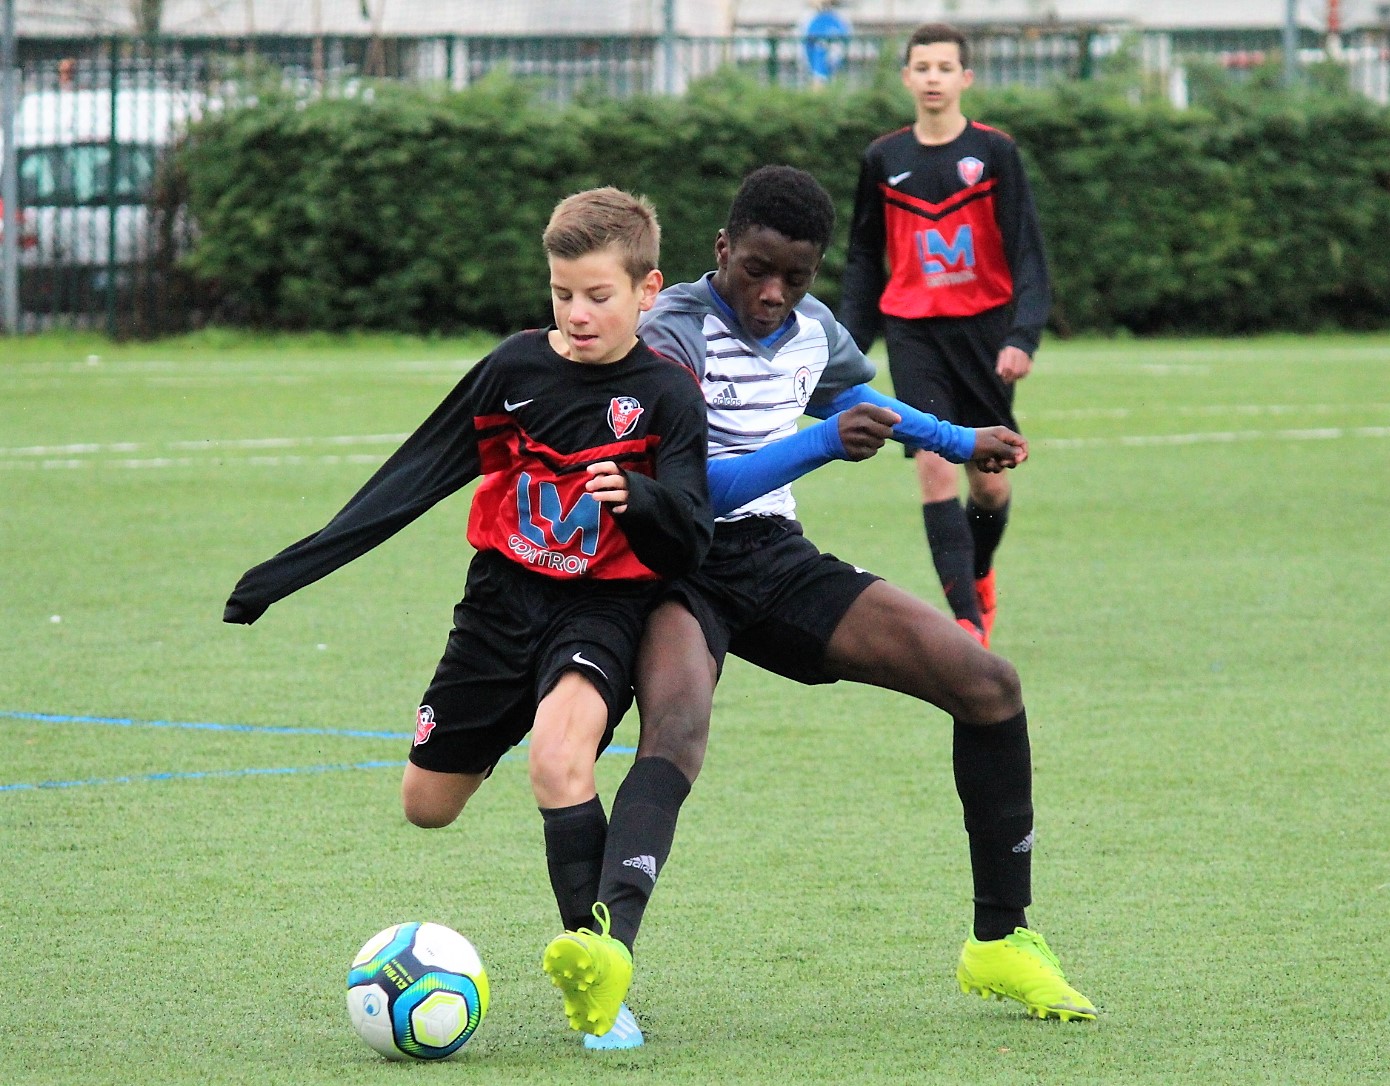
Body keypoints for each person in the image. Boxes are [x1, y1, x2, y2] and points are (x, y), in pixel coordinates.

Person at [542, 165, 1094, 1047]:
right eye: (756, 269)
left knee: (988, 684)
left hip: (776, 559)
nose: (772, 294)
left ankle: (1002, 939)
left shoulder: (812, 328)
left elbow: (858, 396)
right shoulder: (672, 331)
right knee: (676, 729)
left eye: (794, 278)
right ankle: (610, 958)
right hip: (679, 561)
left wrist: (960, 439)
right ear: (722, 250)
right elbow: (693, 491)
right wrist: (821, 447)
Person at [220, 188, 713, 1046]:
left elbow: (691, 538)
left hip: (602, 607)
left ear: (648, 290)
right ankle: (505, 722)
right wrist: (289, 571)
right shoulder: (515, 371)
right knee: (426, 805)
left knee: (560, 763)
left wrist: (639, 499)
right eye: (563, 293)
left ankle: (601, 984)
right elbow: (416, 474)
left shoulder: (667, 397)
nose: (578, 312)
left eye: (599, 294)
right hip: (499, 605)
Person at [840, 22, 1052, 648]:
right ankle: (968, 623)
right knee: (934, 463)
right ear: (907, 77)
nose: (932, 77)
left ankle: (979, 572)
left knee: (989, 478)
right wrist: (848, 344)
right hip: (913, 329)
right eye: (922, 66)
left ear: (965, 78)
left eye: (944, 67)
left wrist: (1023, 336)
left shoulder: (994, 153)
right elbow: (862, 257)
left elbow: (1028, 252)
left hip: (984, 331)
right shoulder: (883, 160)